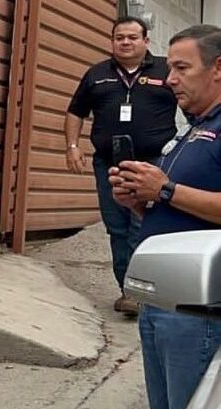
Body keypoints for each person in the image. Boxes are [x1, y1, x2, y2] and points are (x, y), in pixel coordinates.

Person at [110, 24, 221, 409]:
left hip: (196, 314)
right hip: (160, 305)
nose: (169, 78)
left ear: (218, 68)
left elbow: (176, 195)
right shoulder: (191, 129)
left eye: (181, 67)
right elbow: (176, 206)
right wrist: (140, 200)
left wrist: (167, 188)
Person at [65, 17, 177, 315]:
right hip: (110, 163)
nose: (125, 42)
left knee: (145, 225)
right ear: (112, 41)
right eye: (119, 38)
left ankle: (147, 289)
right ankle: (128, 291)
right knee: (117, 226)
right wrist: (73, 146)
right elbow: (75, 112)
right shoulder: (96, 74)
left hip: (154, 161)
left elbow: (194, 104)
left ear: (146, 41)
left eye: (132, 37)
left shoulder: (167, 71)